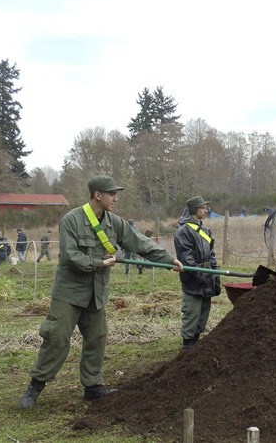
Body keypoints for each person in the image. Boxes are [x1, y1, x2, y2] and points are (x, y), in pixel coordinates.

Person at [20, 175, 183, 409]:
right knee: (57, 337)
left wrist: (169, 260)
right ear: (98, 195)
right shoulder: (72, 220)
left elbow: (140, 243)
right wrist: (100, 263)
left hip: (96, 292)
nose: (115, 198)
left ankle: (93, 387)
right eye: (112, 194)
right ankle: (35, 386)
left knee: (97, 338)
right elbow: (70, 256)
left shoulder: (115, 223)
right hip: (69, 292)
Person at [174, 195, 221, 350]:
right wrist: (201, 275)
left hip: (206, 275)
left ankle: (196, 340)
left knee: (203, 312)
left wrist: (215, 274)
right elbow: (186, 259)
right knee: (192, 312)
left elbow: (211, 254)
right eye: (203, 208)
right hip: (193, 277)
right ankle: (188, 345)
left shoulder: (206, 230)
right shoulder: (183, 231)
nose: (206, 210)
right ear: (194, 210)